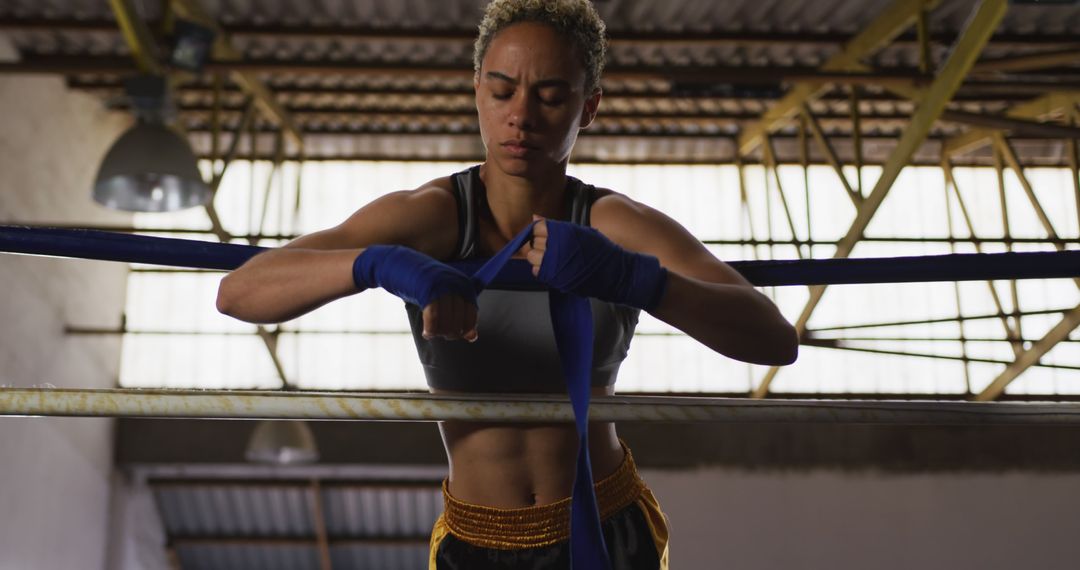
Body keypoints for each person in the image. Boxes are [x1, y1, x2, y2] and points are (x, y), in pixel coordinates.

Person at [216, 0, 799, 567]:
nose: (521, 115)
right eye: (501, 91)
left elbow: (774, 339)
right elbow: (238, 293)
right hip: (476, 538)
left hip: (605, 528)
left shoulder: (615, 224)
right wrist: (374, 264)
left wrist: (636, 279)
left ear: (588, 107)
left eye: (550, 95)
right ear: (477, 92)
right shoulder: (434, 215)